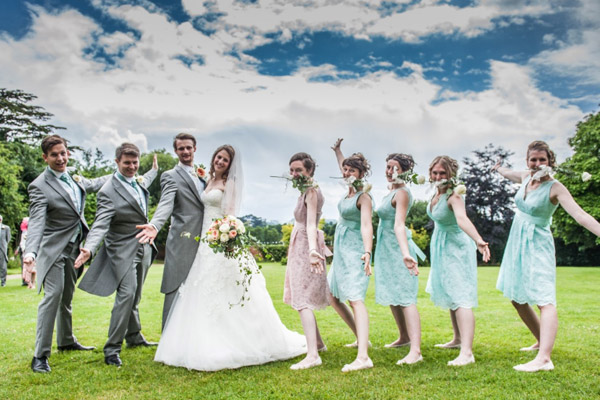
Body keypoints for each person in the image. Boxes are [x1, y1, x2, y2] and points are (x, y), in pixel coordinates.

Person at [155, 145, 306, 371]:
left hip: (221, 241)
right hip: (204, 243)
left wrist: (225, 234)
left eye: (225, 160)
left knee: (226, 289)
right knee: (200, 288)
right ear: (213, 157)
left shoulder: (229, 184)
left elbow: (231, 214)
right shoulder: (206, 180)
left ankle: (238, 341)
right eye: (218, 157)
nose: (220, 162)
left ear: (230, 164)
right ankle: (198, 339)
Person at [493, 140, 600, 372]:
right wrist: (498, 169)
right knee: (517, 298)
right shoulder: (525, 177)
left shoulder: (555, 187)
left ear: (550, 162)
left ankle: (544, 359)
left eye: (542, 160)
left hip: (538, 243)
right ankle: (541, 341)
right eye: (534, 159)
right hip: (517, 242)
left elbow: (580, 215)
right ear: (528, 161)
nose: (538, 163)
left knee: (544, 298)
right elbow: (509, 174)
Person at [24, 135, 109, 373]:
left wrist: (121, 173)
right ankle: (39, 356)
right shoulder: (38, 185)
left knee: (67, 297)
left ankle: (66, 340)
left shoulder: (74, 179)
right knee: (53, 295)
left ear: (68, 152)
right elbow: (37, 223)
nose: (60, 158)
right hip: (52, 251)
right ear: (45, 157)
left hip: (74, 250)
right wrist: (30, 252)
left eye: (63, 153)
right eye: (54, 155)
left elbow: (94, 183)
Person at [75, 143, 158, 368]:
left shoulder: (138, 182)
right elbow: (100, 224)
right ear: (116, 162)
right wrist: (90, 248)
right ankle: (112, 349)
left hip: (144, 248)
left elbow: (146, 180)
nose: (132, 167)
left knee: (136, 295)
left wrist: (154, 170)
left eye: (135, 163)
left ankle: (134, 336)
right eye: (126, 163)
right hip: (121, 251)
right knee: (127, 294)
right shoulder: (108, 191)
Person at [135, 133, 206, 329]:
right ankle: (169, 335)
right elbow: (165, 204)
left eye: (188, 147)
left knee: (202, 285)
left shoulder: (204, 175)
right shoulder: (170, 176)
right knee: (175, 285)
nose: (185, 151)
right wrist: (155, 225)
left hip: (207, 239)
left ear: (195, 148)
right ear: (176, 151)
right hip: (182, 239)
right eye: (181, 148)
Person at [426, 155, 490, 367]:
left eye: (442, 173)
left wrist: (479, 240)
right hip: (442, 246)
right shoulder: (436, 193)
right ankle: (457, 339)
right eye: (435, 172)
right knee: (451, 293)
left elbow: (462, 219)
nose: (438, 176)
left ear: (451, 175)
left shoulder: (454, 197)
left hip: (457, 248)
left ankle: (467, 352)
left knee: (461, 295)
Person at [375, 153, 426, 365]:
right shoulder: (391, 191)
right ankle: (404, 337)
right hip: (385, 249)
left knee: (405, 297)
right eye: (387, 167)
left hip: (398, 248)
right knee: (392, 294)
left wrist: (405, 253)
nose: (389, 171)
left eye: (394, 168)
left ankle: (416, 350)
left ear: (404, 171)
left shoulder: (402, 193)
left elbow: (399, 225)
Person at [328, 139, 374, 372]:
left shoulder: (363, 197)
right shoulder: (348, 189)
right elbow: (343, 167)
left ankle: (364, 357)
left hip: (356, 250)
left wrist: (367, 252)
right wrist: (338, 152)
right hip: (341, 250)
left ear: (361, 173)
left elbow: (367, 225)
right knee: (333, 296)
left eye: (351, 170)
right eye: (345, 169)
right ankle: (360, 337)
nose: (346, 172)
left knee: (355, 298)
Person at [284, 152, 332, 370]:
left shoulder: (311, 192)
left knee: (303, 299)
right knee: (299, 294)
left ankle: (313, 355)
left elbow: (311, 223)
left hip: (306, 244)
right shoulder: (304, 190)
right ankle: (318, 344)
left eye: (299, 171)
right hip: (298, 244)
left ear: (310, 171)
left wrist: (313, 250)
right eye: (292, 170)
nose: (294, 174)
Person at [0, 215, 11, 287]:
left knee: (3, 266)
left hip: (2, 249)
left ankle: (3, 282)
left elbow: (8, 239)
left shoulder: (6, 228)